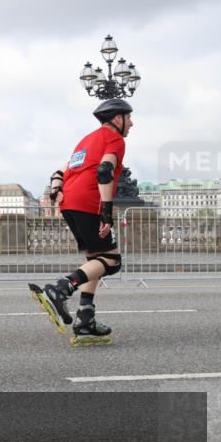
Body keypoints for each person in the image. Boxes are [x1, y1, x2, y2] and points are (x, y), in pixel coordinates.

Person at [29, 98, 132, 346]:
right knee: (112, 261)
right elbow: (105, 171)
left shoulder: (86, 140)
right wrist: (106, 212)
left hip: (69, 203)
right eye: (129, 117)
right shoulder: (115, 140)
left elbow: (58, 172)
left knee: (94, 260)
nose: (132, 123)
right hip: (89, 202)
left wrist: (56, 189)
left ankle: (85, 320)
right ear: (118, 118)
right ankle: (61, 288)